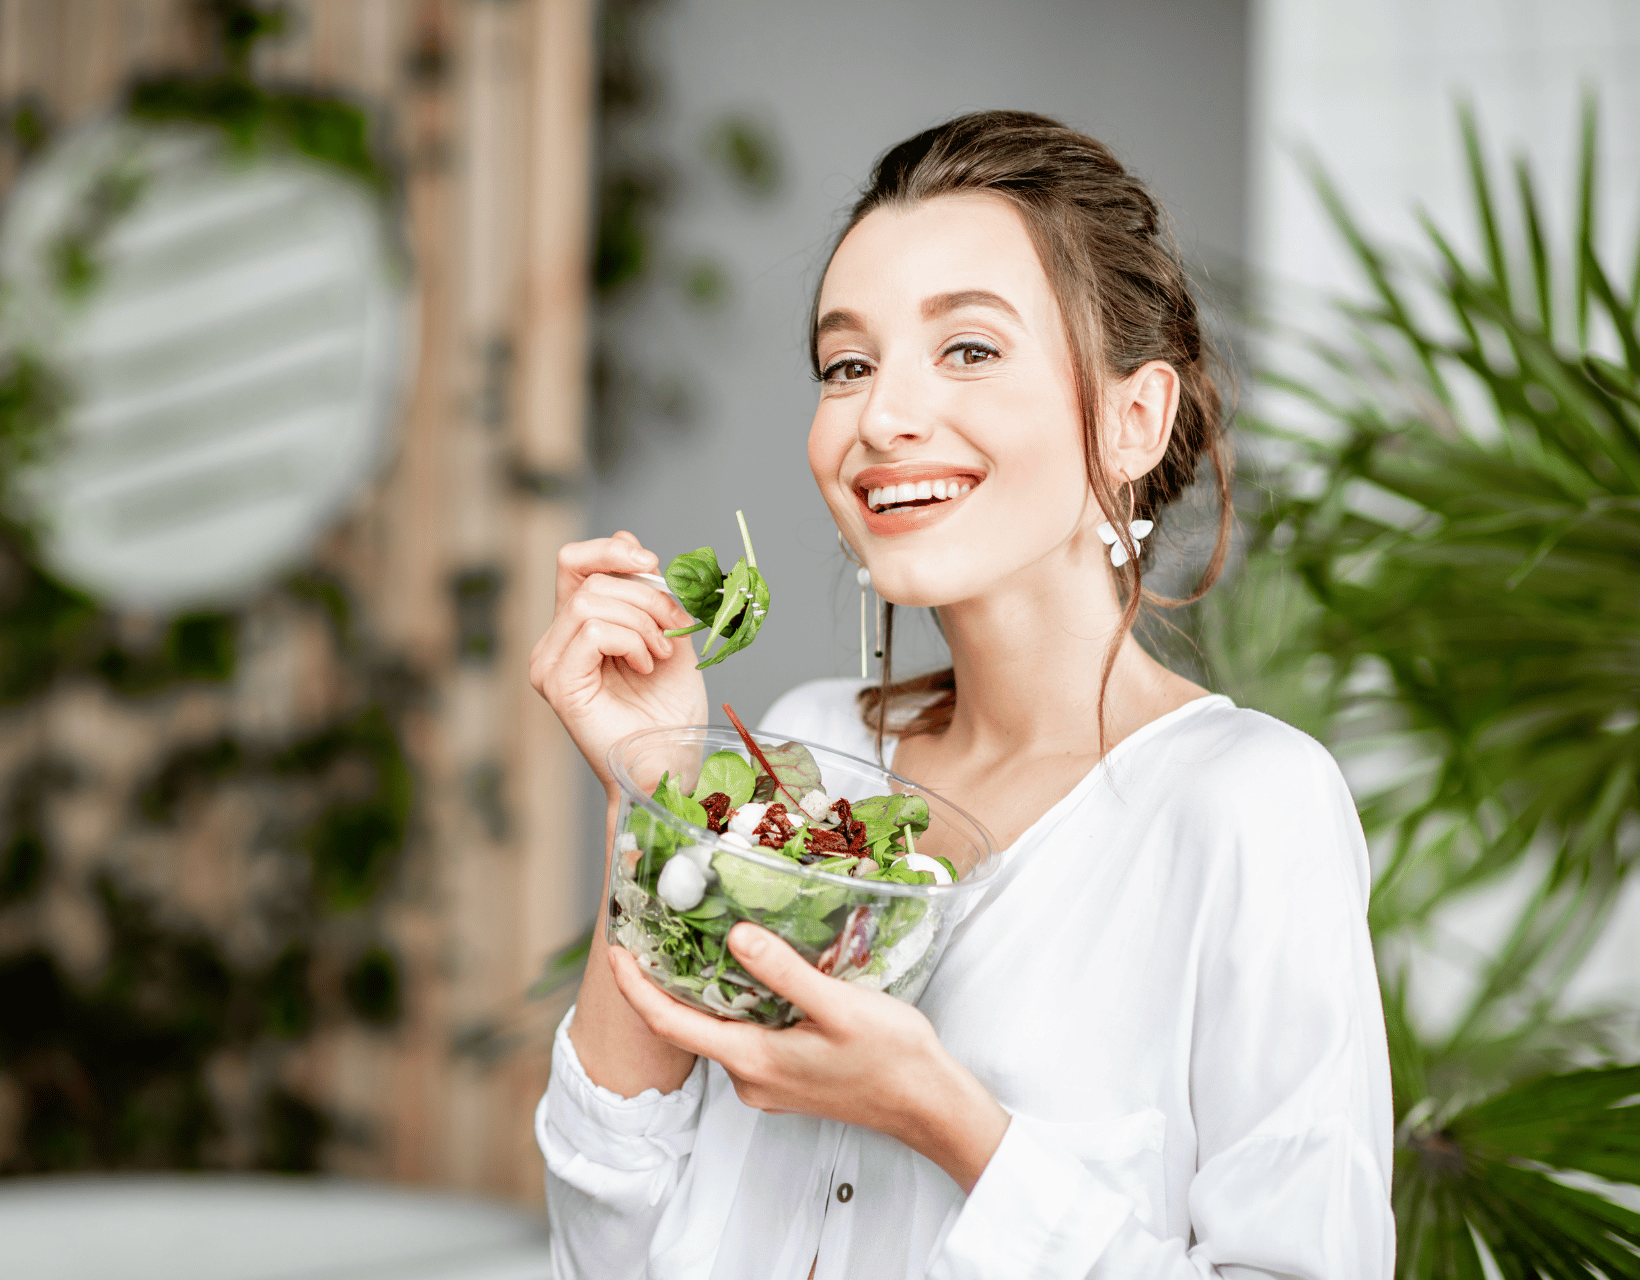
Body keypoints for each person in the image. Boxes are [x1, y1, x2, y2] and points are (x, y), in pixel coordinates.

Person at [528, 111, 1393, 1278]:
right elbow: (608, 1235)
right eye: (847, 363)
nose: (881, 416)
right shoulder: (806, 755)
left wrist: (947, 1118)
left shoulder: (1246, 807)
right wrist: (663, 793)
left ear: (1136, 417)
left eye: (970, 349)